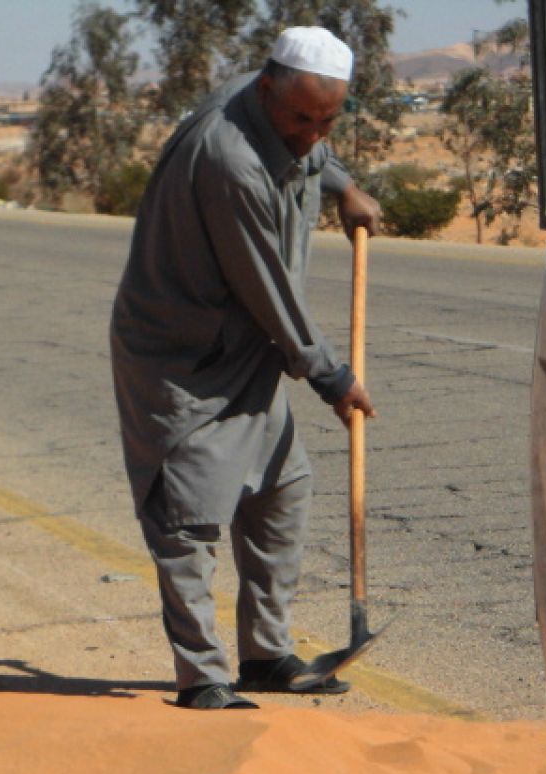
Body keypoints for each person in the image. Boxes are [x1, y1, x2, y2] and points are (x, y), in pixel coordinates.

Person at [109, 25, 380, 710]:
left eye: (328, 121)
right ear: (266, 89)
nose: (313, 134)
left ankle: (265, 655)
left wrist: (343, 185)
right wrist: (331, 376)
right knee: (189, 519)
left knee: (280, 495)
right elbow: (270, 289)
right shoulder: (228, 160)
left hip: (246, 350)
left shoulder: (285, 118)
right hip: (185, 359)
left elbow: (312, 150)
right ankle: (202, 677)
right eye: (301, 119)